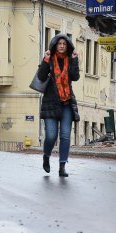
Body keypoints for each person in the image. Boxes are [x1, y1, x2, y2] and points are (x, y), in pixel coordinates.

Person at [38, 33, 80, 177]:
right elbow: (41, 77)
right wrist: (45, 60)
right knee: (51, 136)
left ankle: (62, 166)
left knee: (65, 136)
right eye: (59, 44)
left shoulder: (70, 59)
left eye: (64, 44)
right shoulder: (49, 59)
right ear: (55, 45)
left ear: (67, 46)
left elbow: (75, 77)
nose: (62, 46)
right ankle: (46, 156)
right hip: (51, 102)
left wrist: (75, 60)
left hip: (67, 102)